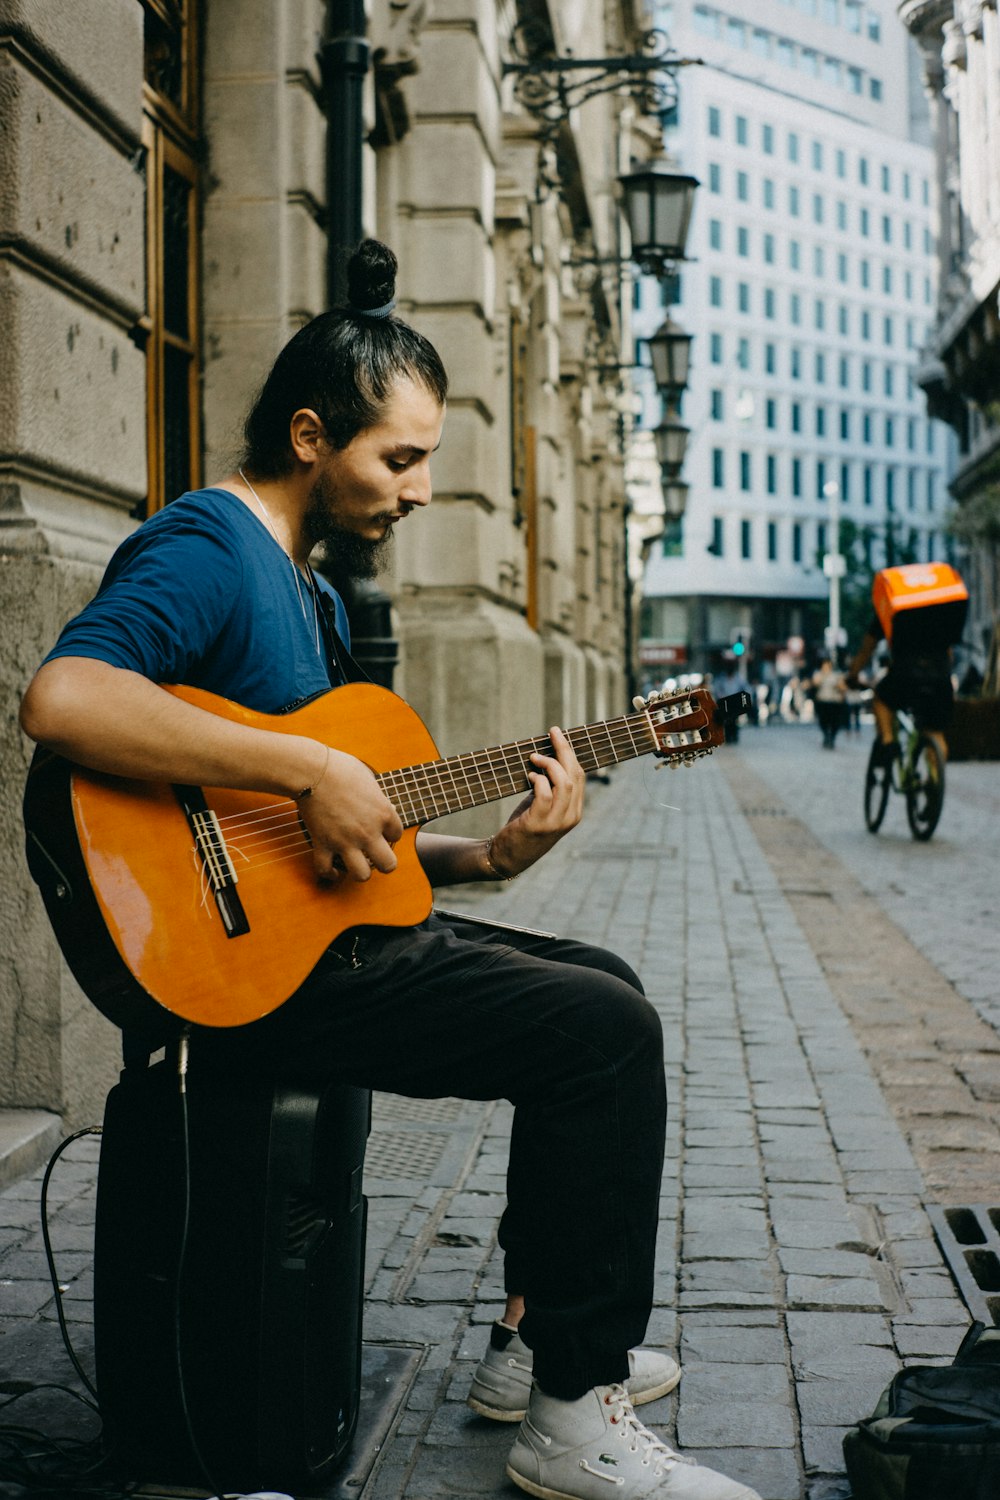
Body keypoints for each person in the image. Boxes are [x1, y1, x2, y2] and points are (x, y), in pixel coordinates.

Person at [20, 241, 759, 1500]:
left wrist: (488, 851)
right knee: (602, 1032)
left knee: (603, 976)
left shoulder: (306, 591)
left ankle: (537, 1350)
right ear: (311, 435)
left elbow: (351, 839)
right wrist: (308, 770)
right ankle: (571, 1424)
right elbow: (65, 697)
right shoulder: (210, 541)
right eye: (399, 459)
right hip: (238, 979)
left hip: (311, 944)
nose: (419, 492)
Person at [846, 608, 954, 767]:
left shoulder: (892, 606)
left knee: (880, 699)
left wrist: (853, 674)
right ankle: (935, 784)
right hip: (940, 677)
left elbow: (867, 648)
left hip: (905, 675)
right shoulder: (937, 606)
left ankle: (889, 743)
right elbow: (949, 651)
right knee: (936, 733)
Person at [810, 657, 847, 749]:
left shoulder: (837, 675)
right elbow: (815, 684)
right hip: (822, 701)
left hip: (834, 701)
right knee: (823, 721)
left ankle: (832, 737)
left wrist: (839, 686)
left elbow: (843, 687)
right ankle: (826, 735)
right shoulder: (818, 674)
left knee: (835, 722)